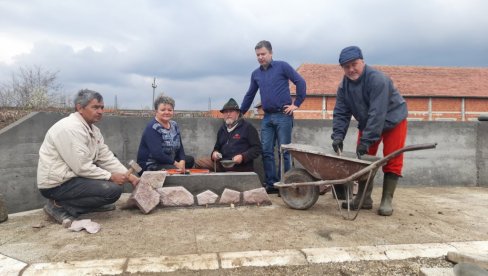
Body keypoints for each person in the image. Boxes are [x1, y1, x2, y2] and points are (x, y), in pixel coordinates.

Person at [37, 89, 140, 225]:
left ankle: (87, 204)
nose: (100, 111)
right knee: (112, 190)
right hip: (57, 184)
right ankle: (57, 207)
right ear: (80, 108)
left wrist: (130, 177)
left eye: (102, 107)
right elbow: (81, 166)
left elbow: (106, 157)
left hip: (73, 178)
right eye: (95, 107)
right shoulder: (70, 128)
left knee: (110, 188)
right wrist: (110, 176)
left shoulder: (93, 130)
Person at [331, 46, 408, 216]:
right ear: (342, 68)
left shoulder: (378, 80)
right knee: (363, 161)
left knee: (392, 158)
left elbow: (377, 113)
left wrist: (366, 141)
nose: (351, 69)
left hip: (393, 120)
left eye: (354, 64)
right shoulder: (344, 87)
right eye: (346, 66)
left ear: (362, 62)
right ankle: (363, 198)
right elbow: (341, 113)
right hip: (369, 123)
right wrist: (337, 136)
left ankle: (386, 200)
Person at [240, 40, 306, 194]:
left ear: (271, 53)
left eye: (263, 54)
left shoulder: (282, 66)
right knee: (266, 151)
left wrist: (297, 104)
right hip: (267, 117)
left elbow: (300, 81)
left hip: (284, 115)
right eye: (258, 55)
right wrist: (240, 112)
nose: (260, 57)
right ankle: (271, 184)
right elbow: (250, 94)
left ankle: (287, 185)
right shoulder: (255, 74)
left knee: (284, 152)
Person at [195, 98, 261, 172]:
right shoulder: (222, 129)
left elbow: (257, 148)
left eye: (231, 111)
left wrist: (243, 157)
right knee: (199, 163)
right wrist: (214, 154)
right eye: (226, 112)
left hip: (240, 167)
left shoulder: (248, 128)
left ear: (238, 113)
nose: (228, 114)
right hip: (222, 164)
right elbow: (217, 148)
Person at [137, 95, 194, 173]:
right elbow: (157, 154)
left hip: (168, 161)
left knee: (189, 160)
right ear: (156, 111)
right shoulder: (153, 127)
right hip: (152, 164)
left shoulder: (174, 125)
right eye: (163, 110)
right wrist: (176, 164)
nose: (166, 112)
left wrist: (182, 161)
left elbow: (180, 147)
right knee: (174, 168)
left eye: (170, 110)